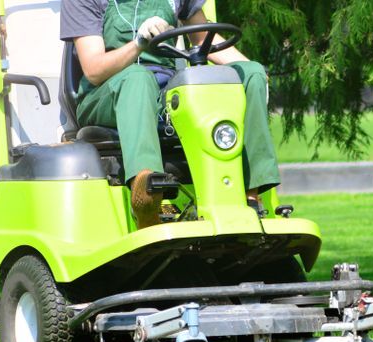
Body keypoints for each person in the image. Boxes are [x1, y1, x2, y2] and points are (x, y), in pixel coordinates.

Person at [60, 0, 281, 229]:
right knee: (138, 78)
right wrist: (139, 44)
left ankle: (250, 195)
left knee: (251, 72)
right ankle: (146, 200)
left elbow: (204, 38)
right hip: (105, 94)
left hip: (163, 91)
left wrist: (252, 71)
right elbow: (94, 69)